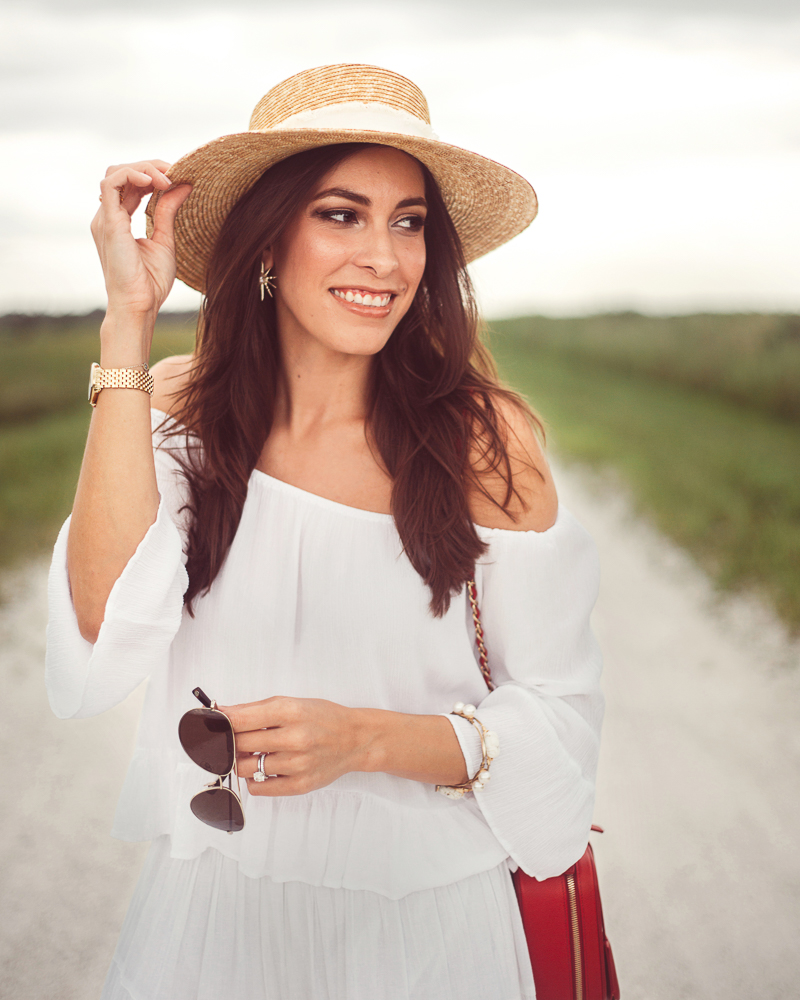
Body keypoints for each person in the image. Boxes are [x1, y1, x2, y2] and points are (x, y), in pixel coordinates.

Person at [46, 64, 604, 1000]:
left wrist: (365, 740)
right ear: (269, 243)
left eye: (409, 221)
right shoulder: (180, 411)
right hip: (211, 922)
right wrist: (127, 328)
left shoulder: (482, 441)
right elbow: (103, 623)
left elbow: (561, 716)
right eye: (341, 214)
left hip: (424, 926)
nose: (385, 259)